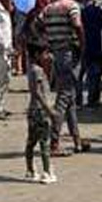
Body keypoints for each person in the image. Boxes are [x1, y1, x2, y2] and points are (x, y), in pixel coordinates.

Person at [41, 0, 89, 155]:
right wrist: (83, 45)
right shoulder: (72, 6)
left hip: (56, 53)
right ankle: (54, 142)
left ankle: (76, 140)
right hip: (69, 53)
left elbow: (37, 26)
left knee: (70, 98)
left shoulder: (49, 7)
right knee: (64, 97)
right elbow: (77, 25)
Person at [24, 44, 59, 183]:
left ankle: (30, 170)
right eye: (45, 53)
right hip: (40, 112)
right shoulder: (37, 71)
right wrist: (49, 110)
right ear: (37, 55)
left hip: (33, 111)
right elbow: (37, 92)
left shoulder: (34, 69)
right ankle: (47, 172)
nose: (48, 56)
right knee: (44, 142)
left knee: (31, 142)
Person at [81, 0, 102, 107]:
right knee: (96, 74)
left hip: (86, 45)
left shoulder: (83, 12)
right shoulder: (100, 11)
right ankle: (94, 99)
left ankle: (85, 99)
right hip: (97, 44)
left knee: (86, 73)